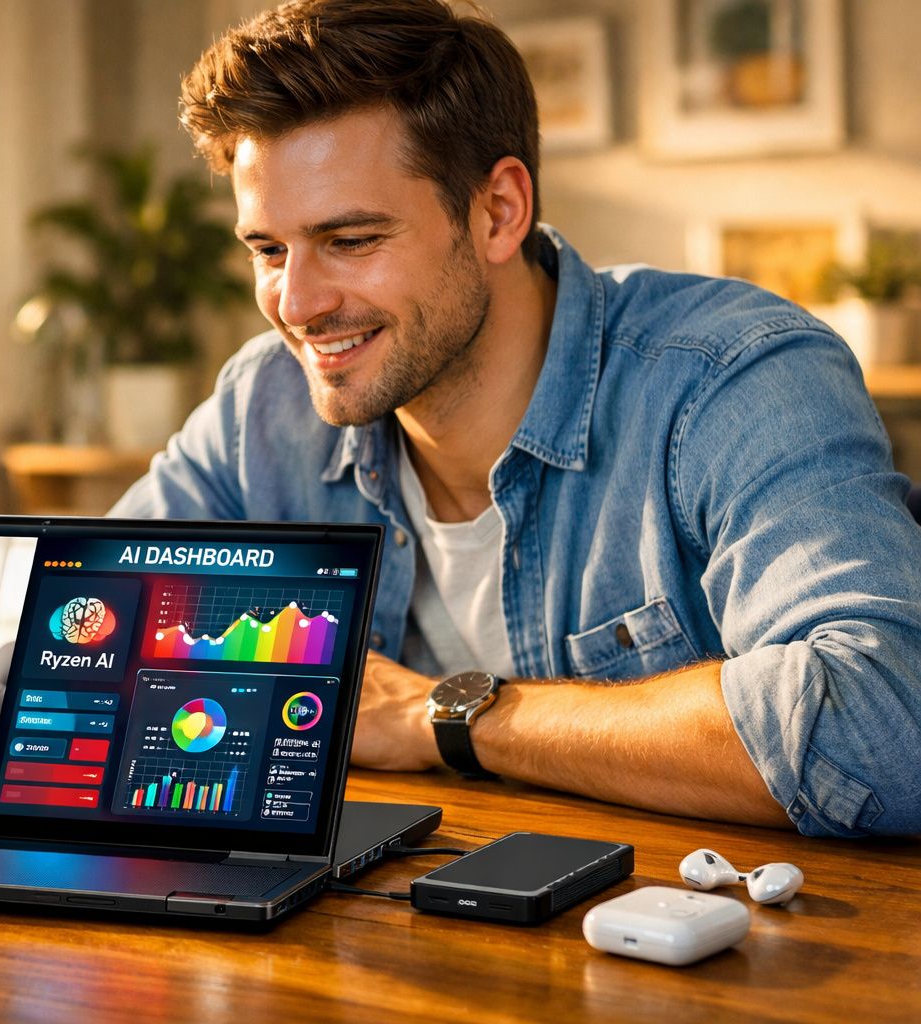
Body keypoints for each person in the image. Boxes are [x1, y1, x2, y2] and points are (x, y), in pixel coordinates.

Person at [110, 0, 921, 837]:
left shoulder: (732, 379)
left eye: (351, 240)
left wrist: (442, 715)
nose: (296, 305)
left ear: (499, 210)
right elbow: (76, 638)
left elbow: (888, 723)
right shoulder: (263, 404)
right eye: (269, 250)